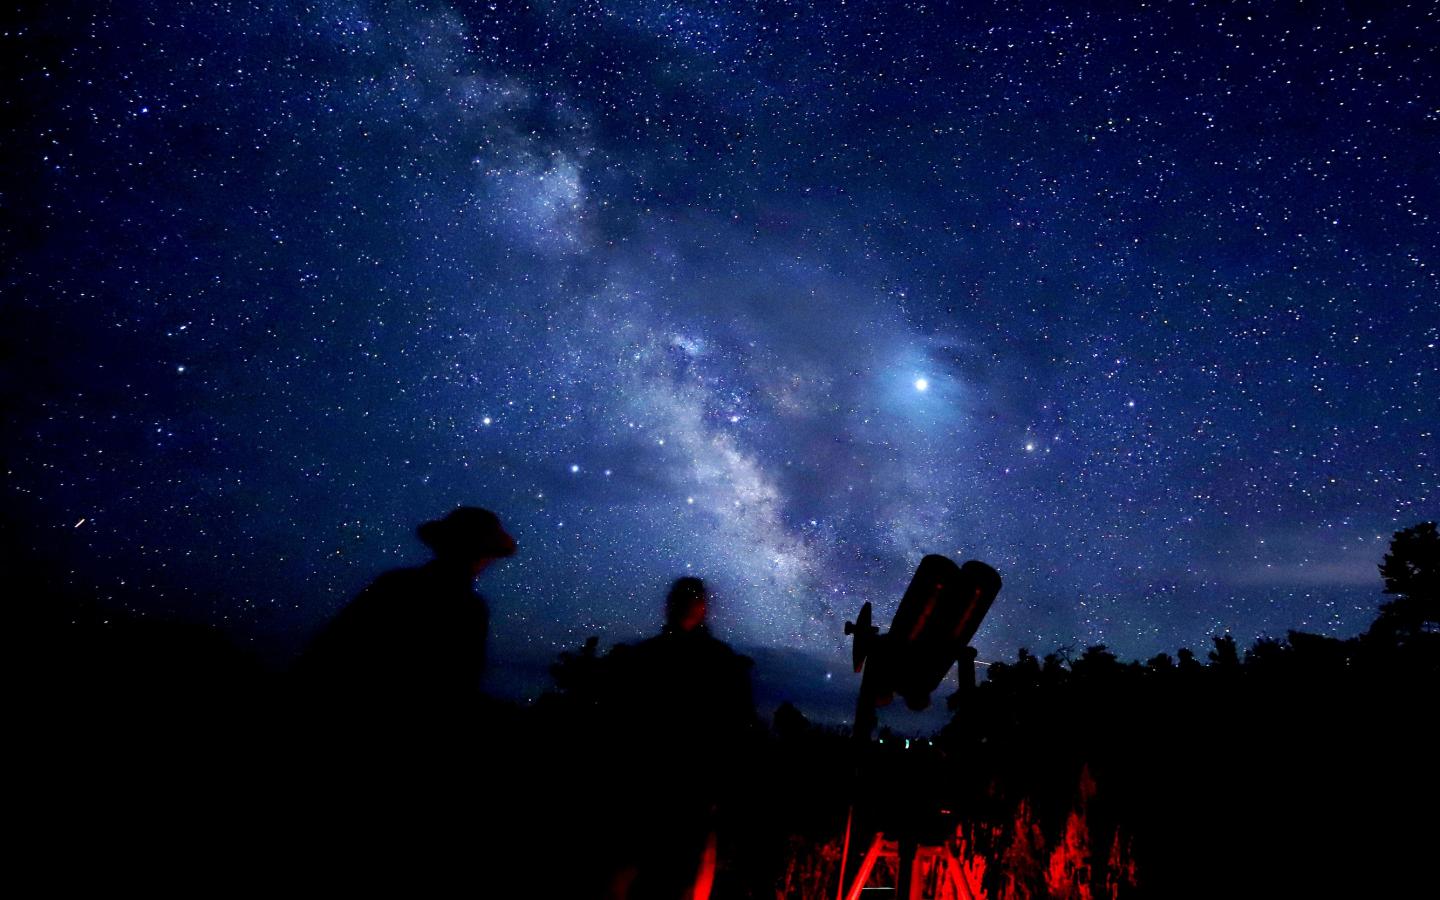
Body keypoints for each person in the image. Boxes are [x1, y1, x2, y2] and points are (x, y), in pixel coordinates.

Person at [610, 577, 758, 900]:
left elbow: (738, 730)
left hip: (692, 793)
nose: (685, 605)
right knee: (639, 873)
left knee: (682, 880)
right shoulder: (650, 658)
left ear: (702, 606)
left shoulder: (718, 663)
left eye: (691, 599)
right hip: (649, 789)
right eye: (682, 598)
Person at [296, 505, 516, 709]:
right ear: (483, 556)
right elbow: (459, 684)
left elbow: (331, 646)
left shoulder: (395, 584)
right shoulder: (470, 609)